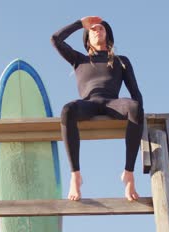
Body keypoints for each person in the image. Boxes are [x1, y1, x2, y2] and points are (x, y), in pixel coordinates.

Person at [50, 16, 144, 201]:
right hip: (88, 104)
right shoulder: (79, 59)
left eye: (101, 28)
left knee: (134, 106)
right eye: (93, 29)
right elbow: (55, 39)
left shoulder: (121, 61)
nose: (97, 31)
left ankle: (128, 174)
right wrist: (80, 24)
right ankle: (75, 175)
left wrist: (140, 119)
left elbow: (136, 93)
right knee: (67, 110)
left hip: (112, 103)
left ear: (107, 36)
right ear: (87, 38)